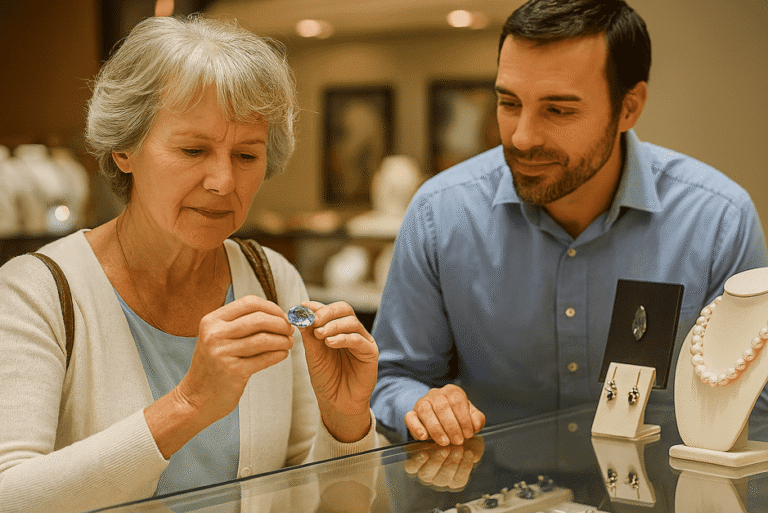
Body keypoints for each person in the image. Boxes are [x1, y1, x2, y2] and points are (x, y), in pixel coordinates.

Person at [0, 15, 379, 512]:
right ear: (124, 149)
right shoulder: (36, 293)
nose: (223, 180)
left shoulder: (272, 279)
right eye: (193, 149)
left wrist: (347, 423)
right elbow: (11, 496)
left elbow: (329, 504)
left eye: (246, 156)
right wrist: (188, 405)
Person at [371, 0, 768, 446]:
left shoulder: (716, 220)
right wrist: (424, 408)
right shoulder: (440, 214)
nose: (522, 136)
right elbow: (394, 379)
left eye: (558, 110)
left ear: (629, 108)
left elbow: (755, 411)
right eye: (509, 103)